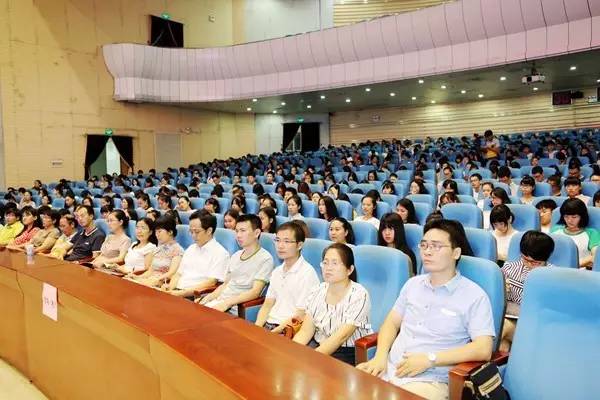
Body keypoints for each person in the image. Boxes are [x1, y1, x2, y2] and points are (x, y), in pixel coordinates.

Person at [356, 219, 494, 399]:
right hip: (388, 368)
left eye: (436, 246)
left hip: (431, 380)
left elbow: (483, 349)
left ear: (456, 253)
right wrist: (380, 356)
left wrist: (430, 359)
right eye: (424, 245)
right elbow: (391, 322)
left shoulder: (474, 295)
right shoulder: (412, 284)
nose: (427, 251)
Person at [293, 243, 372, 365]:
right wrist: (291, 351)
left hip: (345, 352)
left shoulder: (359, 294)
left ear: (349, 269)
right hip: (318, 346)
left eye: (335, 263)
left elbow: (340, 337)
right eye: (325, 263)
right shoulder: (317, 290)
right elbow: (306, 332)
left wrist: (310, 359)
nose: (328, 268)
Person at [198, 214, 274, 314]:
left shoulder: (265, 259)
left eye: (242, 231)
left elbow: (255, 292)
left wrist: (226, 304)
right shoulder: (236, 255)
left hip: (235, 309)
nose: (238, 235)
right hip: (219, 304)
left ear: (256, 233)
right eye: (237, 231)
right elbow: (225, 284)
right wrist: (208, 298)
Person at [255, 222, 320, 332]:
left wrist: (274, 333)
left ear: (299, 245)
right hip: (269, 325)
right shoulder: (277, 271)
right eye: (277, 240)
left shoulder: (307, 273)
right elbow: (268, 304)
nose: (280, 245)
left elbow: (300, 314)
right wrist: (256, 328)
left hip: (289, 330)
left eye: (286, 241)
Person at [500, 231, 555, 352]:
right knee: (502, 346)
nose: (529, 264)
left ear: (545, 259)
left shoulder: (553, 276)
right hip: (509, 316)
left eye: (535, 262)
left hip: (535, 325)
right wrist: (503, 289)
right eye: (525, 259)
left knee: (502, 327)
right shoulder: (509, 268)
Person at [164, 210, 230, 298]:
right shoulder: (191, 248)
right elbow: (178, 274)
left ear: (209, 230)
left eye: (197, 232)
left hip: (195, 296)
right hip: (177, 291)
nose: (193, 236)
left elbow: (211, 282)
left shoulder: (220, 253)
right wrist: (170, 288)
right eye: (191, 231)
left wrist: (180, 293)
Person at [130, 215, 184, 287]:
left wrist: (153, 281)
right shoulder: (158, 249)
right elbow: (150, 271)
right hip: (149, 281)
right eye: (156, 231)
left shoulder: (177, 250)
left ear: (170, 232)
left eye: (159, 231)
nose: (156, 235)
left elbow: (171, 273)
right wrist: (137, 277)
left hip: (162, 284)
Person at [551, 198, 599, 269]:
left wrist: (570, 266)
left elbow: (595, 256)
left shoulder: (592, 233)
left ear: (582, 216)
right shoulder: (555, 230)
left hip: (580, 272)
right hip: (554, 269)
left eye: (574, 217)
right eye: (566, 217)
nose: (570, 220)